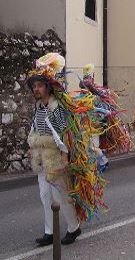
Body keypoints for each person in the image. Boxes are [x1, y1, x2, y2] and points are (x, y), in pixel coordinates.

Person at [26, 53, 81, 246]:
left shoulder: (56, 108)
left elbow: (65, 134)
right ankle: (49, 232)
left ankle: (74, 227)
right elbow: (35, 129)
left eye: (39, 85)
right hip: (42, 159)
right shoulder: (39, 107)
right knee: (44, 195)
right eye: (34, 86)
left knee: (61, 195)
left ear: (48, 87)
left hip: (56, 160)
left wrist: (65, 160)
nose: (36, 89)